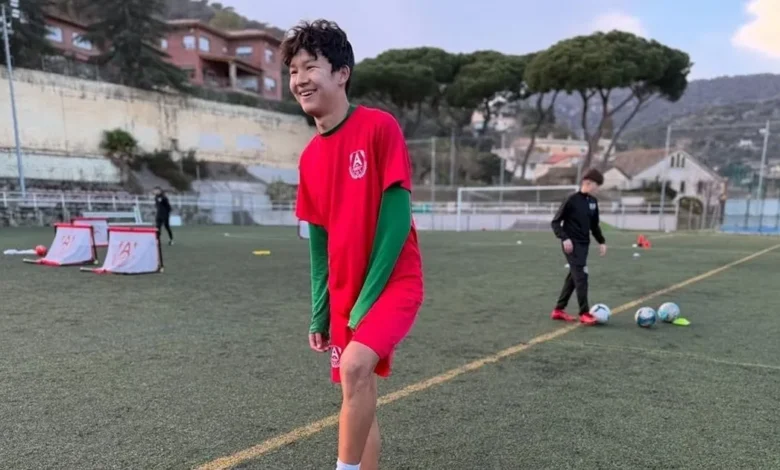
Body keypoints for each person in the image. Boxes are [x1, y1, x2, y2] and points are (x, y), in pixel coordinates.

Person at [283, 19, 424, 470]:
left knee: (356, 367)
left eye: (310, 67)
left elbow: (397, 221)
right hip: (345, 294)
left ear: (341, 73)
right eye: (293, 71)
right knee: (357, 392)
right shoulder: (309, 158)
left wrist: (366, 300)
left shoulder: (379, 127)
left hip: (394, 282)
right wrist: (320, 310)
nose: (300, 80)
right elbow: (318, 244)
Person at [550, 168, 607, 325]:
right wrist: (564, 238)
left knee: (573, 277)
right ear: (587, 182)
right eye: (596, 185)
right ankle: (584, 313)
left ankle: (558, 310)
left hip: (584, 245)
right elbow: (555, 222)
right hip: (571, 245)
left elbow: (594, 225)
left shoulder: (593, 202)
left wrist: (601, 241)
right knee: (581, 276)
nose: (597, 189)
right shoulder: (571, 199)